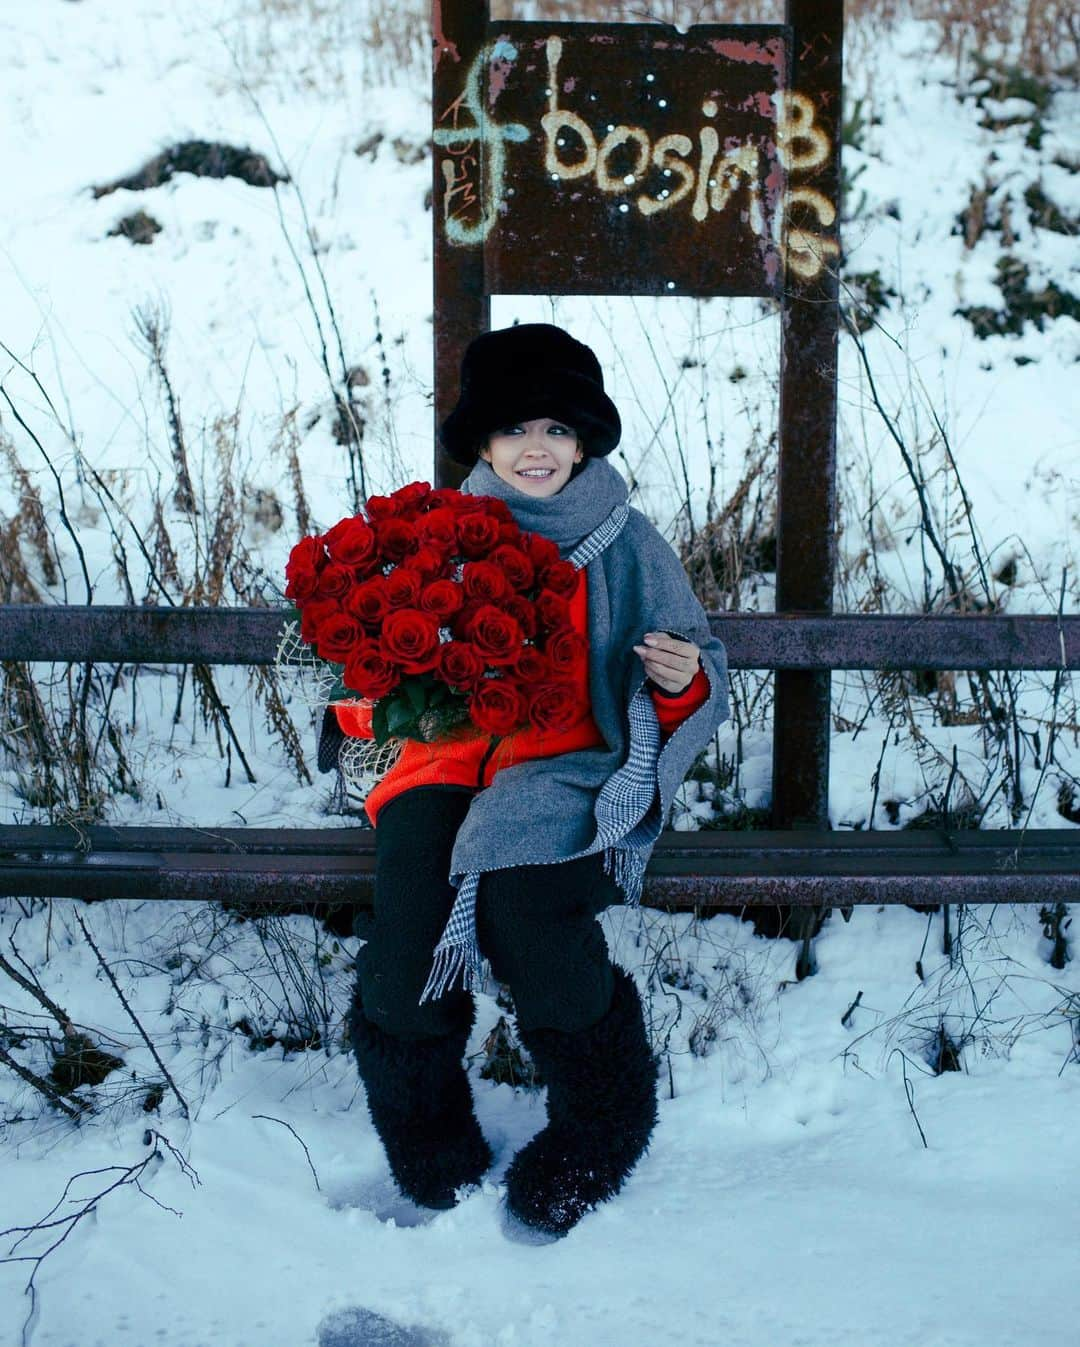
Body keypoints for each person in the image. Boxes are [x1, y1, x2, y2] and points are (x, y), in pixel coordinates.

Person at [338, 323, 729, 1237]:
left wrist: (682, 681)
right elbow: (370, 674)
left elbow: (697, 657)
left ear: (585, 438)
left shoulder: (627, 541)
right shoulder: (440, 532)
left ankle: (604, 1119)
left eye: (557, 428)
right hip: (445, 766)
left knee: (527, 916)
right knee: (406, 933)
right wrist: (371, 693)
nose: (537, 449)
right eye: (515, 430)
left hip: (572, 772)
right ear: (482, 443)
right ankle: (430, 1144)